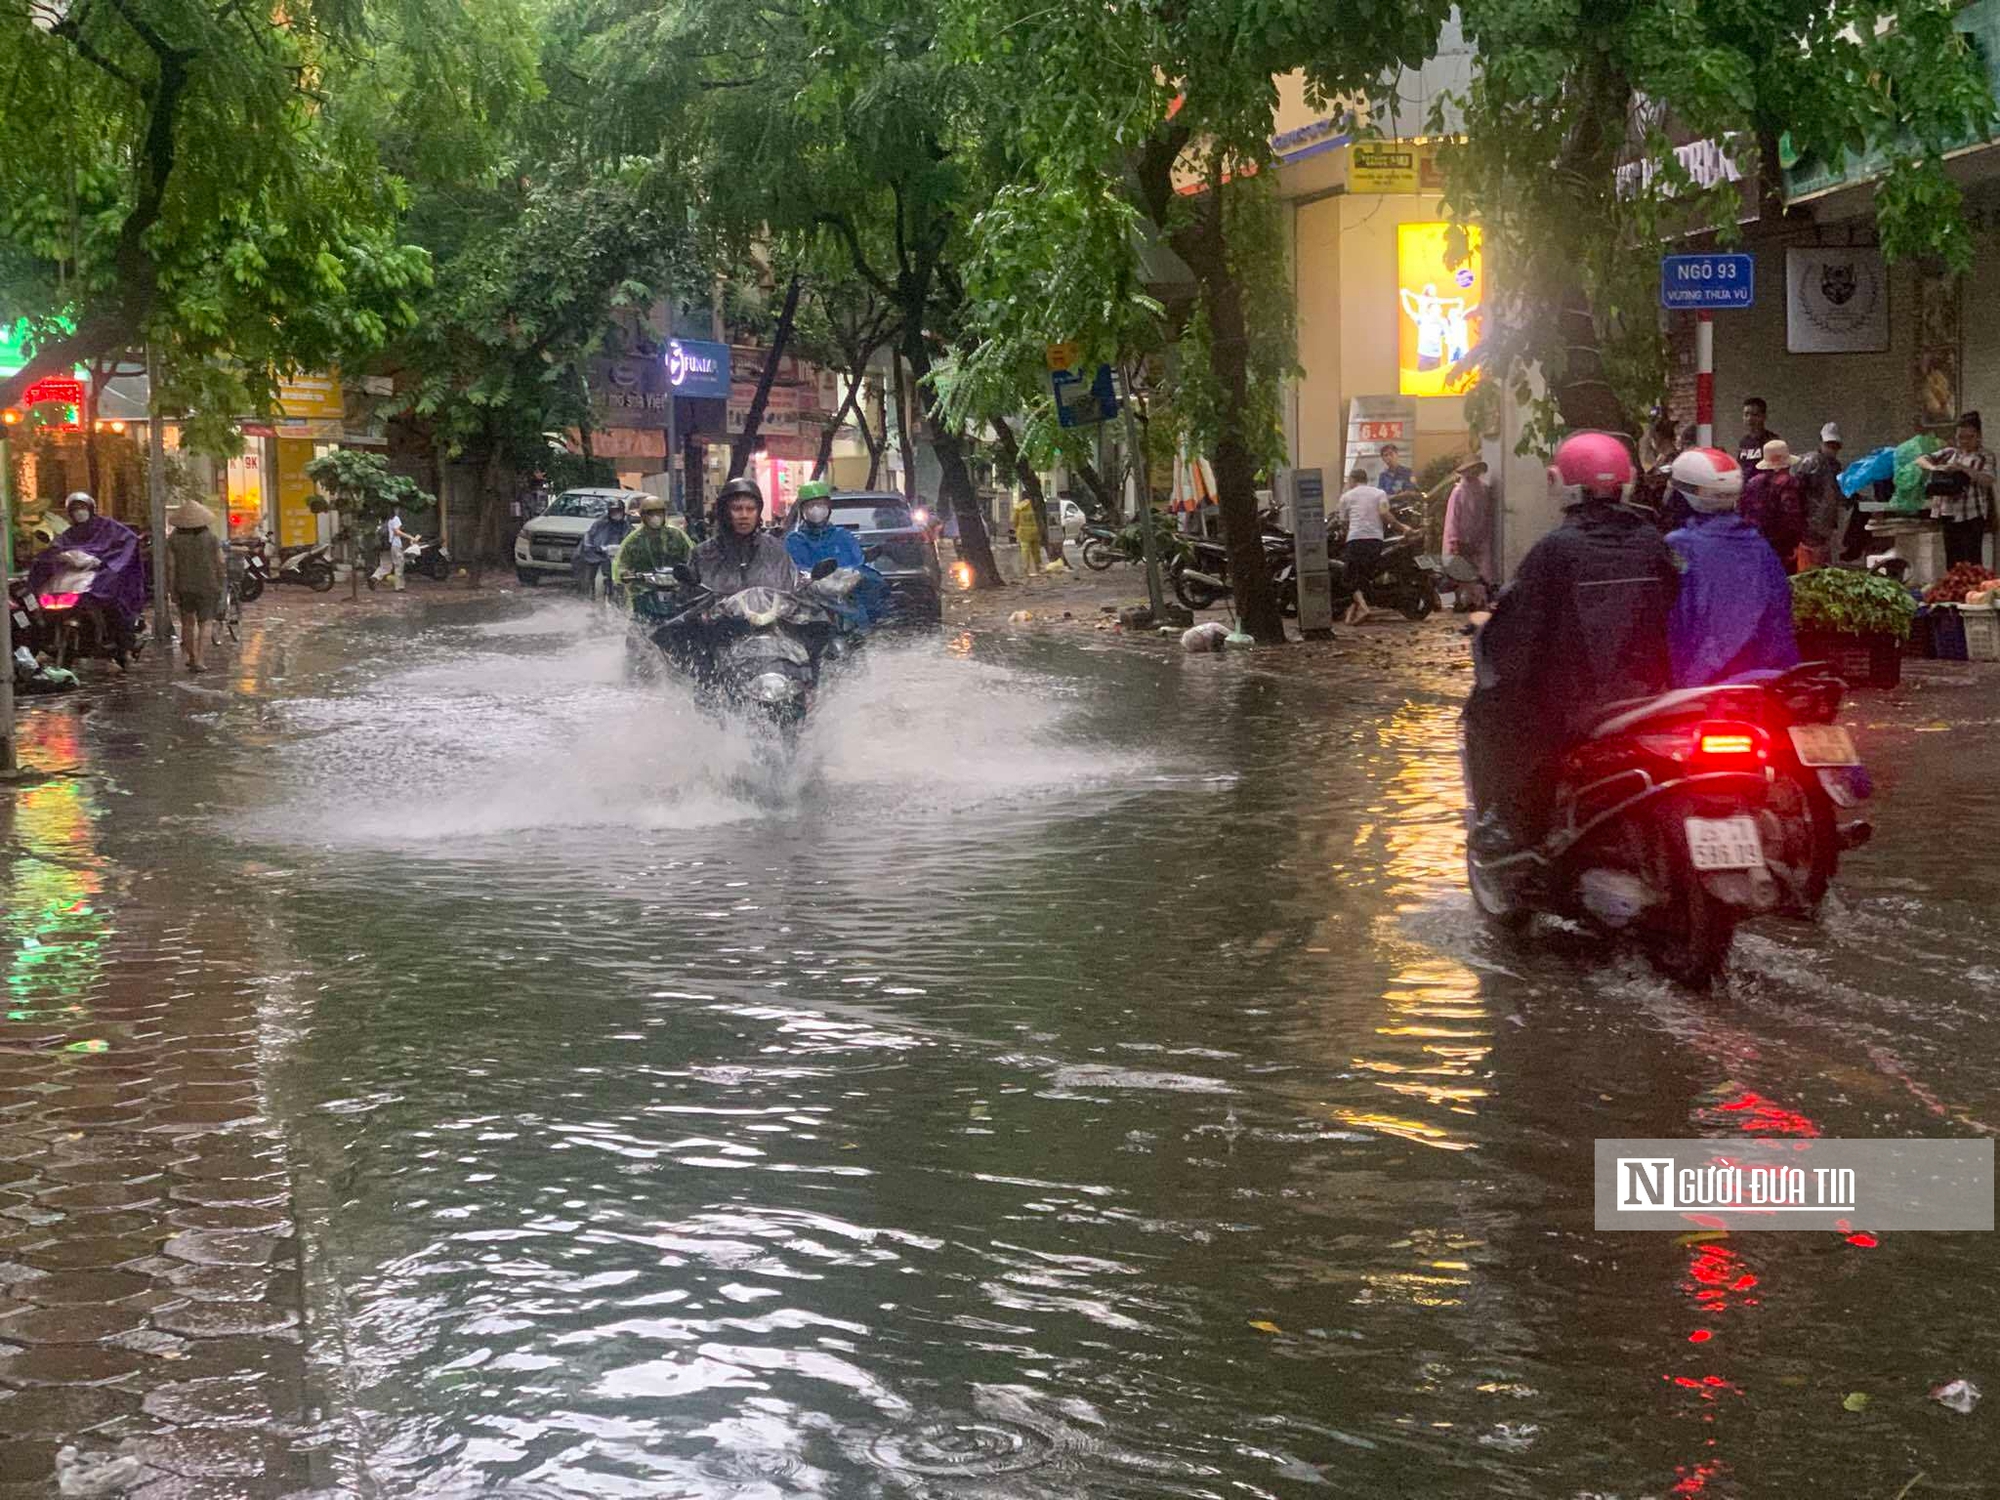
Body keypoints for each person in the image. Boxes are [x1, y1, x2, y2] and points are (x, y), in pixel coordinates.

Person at [1464, 432, 1679, 854]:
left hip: (1576, 704)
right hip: (1649, 696)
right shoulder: (1651, 541)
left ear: (1559, 483)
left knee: (1490, 714)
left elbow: (1517, 633)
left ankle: (1509, 824)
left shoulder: (1554, 550)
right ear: (1627, 482)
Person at [1662, 448, 1799, 688]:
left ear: (1685, 495)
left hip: (1699, 685)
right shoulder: (1758, 544)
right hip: (1764, 682)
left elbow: (1668, 619)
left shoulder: (1679, 545)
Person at [27, 492, 145, 666]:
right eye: (75, 510)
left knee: (111, 600)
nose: (79, 512)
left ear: (90, 509)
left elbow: (128, 541)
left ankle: (120, 642)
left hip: (101, 576)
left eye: (82, 508)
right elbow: (54, 550)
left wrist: (105, 561)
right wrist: (59, 556)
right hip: (74, 579)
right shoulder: (68, 534)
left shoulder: (108, 527)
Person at [1336, 465, 1418, 625]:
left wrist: (1345, 532)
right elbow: (1385, 514)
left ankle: (1365, 608)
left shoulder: (1347, 496)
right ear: (1366, 480)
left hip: (1356, 539)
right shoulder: (1379, 493)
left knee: (1349, 577)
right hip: (1375, 540)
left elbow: (1343, 521)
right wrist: (1403, 528)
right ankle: (1354, 611)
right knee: (1364, 575)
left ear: (1352, 480)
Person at [689, 476, 798, 596]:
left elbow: (791, 596)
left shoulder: (776, 551)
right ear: (725, 512)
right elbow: (688, 601)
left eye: (751, 509)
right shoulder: (703, 554)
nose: (744, 515)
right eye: (737, 509)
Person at [1916, 410, 1995, 568]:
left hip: (1972, 515)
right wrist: (1936, 468)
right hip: (1949, 513)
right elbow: (1920, 459)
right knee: (1952, 559)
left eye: (1969, 437)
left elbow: (1988, 480)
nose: (1964, 441)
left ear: (1978, 436)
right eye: (1960, 437)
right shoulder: (1950, 452)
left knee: (1972, 560)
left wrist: (1962, 469)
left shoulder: (1985, 456)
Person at [164, 500, 227, 674]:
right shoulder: (212, 539)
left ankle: (191, 657)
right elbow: (221, 562)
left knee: (187, 623)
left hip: (184, 586)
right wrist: (221, 579)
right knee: (206, 623)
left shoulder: (173, 540)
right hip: (208, 585)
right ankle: (200, 659)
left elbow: (170, 566)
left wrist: (171, 588)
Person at [612, 494, 694, 602]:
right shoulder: (634, 539)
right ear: (643, 516)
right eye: (651, 514)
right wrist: (624, 574)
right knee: (635, 611)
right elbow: (620, 563)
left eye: (659, 513)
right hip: (643, 590)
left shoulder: (677, 535)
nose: (656, 517)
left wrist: (691, 572)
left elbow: (693, 556)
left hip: (676, 588)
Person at [1740, 439, 1805, 571]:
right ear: (1787, 464)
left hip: (1755, 543)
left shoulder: (1752, 482)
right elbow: (1791, 516)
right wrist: (1794, 544)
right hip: (1780, 547)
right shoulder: (1787, 483)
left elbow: (1741, 510)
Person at [1442, 457, 1495, 609]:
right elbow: (1453, 517)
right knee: (1463, 571)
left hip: (1477, 536)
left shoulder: (1483, 489)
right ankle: (1465, 600)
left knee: (1474, 570)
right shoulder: (1459, 491)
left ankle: (1473, 600)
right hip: (1463, 536)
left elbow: (1486, 514)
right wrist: (1454, 539)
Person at [1792, 423, 1846, 571]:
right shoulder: (1810, 462)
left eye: (1835, 445)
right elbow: (1797, 491)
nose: (1831, 449)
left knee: (1823, 566)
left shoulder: (1835, 466)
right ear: (1821, 442)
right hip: (1809, 524)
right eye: (1829, 444)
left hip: (1826, 525)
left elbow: (1837, 492)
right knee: (1808, 570)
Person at [785, 481, 865, 574]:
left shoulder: (843, 536)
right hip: (809, 588)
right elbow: (792, 571)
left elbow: (858, 565)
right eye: (810, 505)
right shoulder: (795, 541)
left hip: (846, 586)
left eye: (820, 504)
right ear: (802, 510)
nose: (816, 510)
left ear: (829, 507)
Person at [576, 497, 633, 596]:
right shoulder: (600, 524)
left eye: (618, 511)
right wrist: (595, 548)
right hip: (601, 560)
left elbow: (633, 540)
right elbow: (589, 538)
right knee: (590, 573)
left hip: (621, 562)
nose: (616, 514)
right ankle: (590, 593)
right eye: (613, 511)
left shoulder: (627, 526)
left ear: (623, 511)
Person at [1736, 397, 1779, 473]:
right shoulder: (1743, 442)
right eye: (1746, 414)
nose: (1749, 418)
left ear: (1764, 417)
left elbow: (1778, 470)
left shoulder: (1773, 441)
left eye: (1754, 415)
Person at [370, 507, 408, 591]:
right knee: (399, 565)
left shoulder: (382, 523)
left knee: (385, 565)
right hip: (394, 545)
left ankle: (375, 577)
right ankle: (399, 587)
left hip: (384, 547)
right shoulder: (395, 519)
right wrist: (409, 537)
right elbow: (397, 532)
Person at [1010, 491, 1045, 578]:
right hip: (1035, 532)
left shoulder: (1019, 507)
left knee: (1025, 551)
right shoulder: (1035, 507)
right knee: (1036, 552)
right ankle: (1039, 568)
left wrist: (1016, 528)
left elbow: (1014, 521)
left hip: (1024, 533)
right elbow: (1041, 519)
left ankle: (1026, 570)